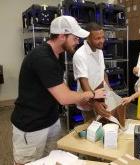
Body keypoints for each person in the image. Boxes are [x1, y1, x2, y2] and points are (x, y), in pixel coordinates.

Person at [11, 16, 106, 165]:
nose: (78, 41)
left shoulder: (58, 55)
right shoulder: (42, 58)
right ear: (62, 36)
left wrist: (81, 98)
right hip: (31, 126)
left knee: (50, 160)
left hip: (51, 120)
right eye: (74, 38)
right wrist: (91, 95)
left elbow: (61, 87)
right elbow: (64, 98)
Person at [73, 22, 111, 121]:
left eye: (102, 37)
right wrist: (95, 104)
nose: (102, 41)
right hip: (88, 102)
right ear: (87, 38)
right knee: (92, 130)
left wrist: (109, 92)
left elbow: (103, 73)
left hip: (101, 97)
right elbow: (83, 83)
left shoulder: (100, 51)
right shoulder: (80, 55)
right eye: (97, 38)